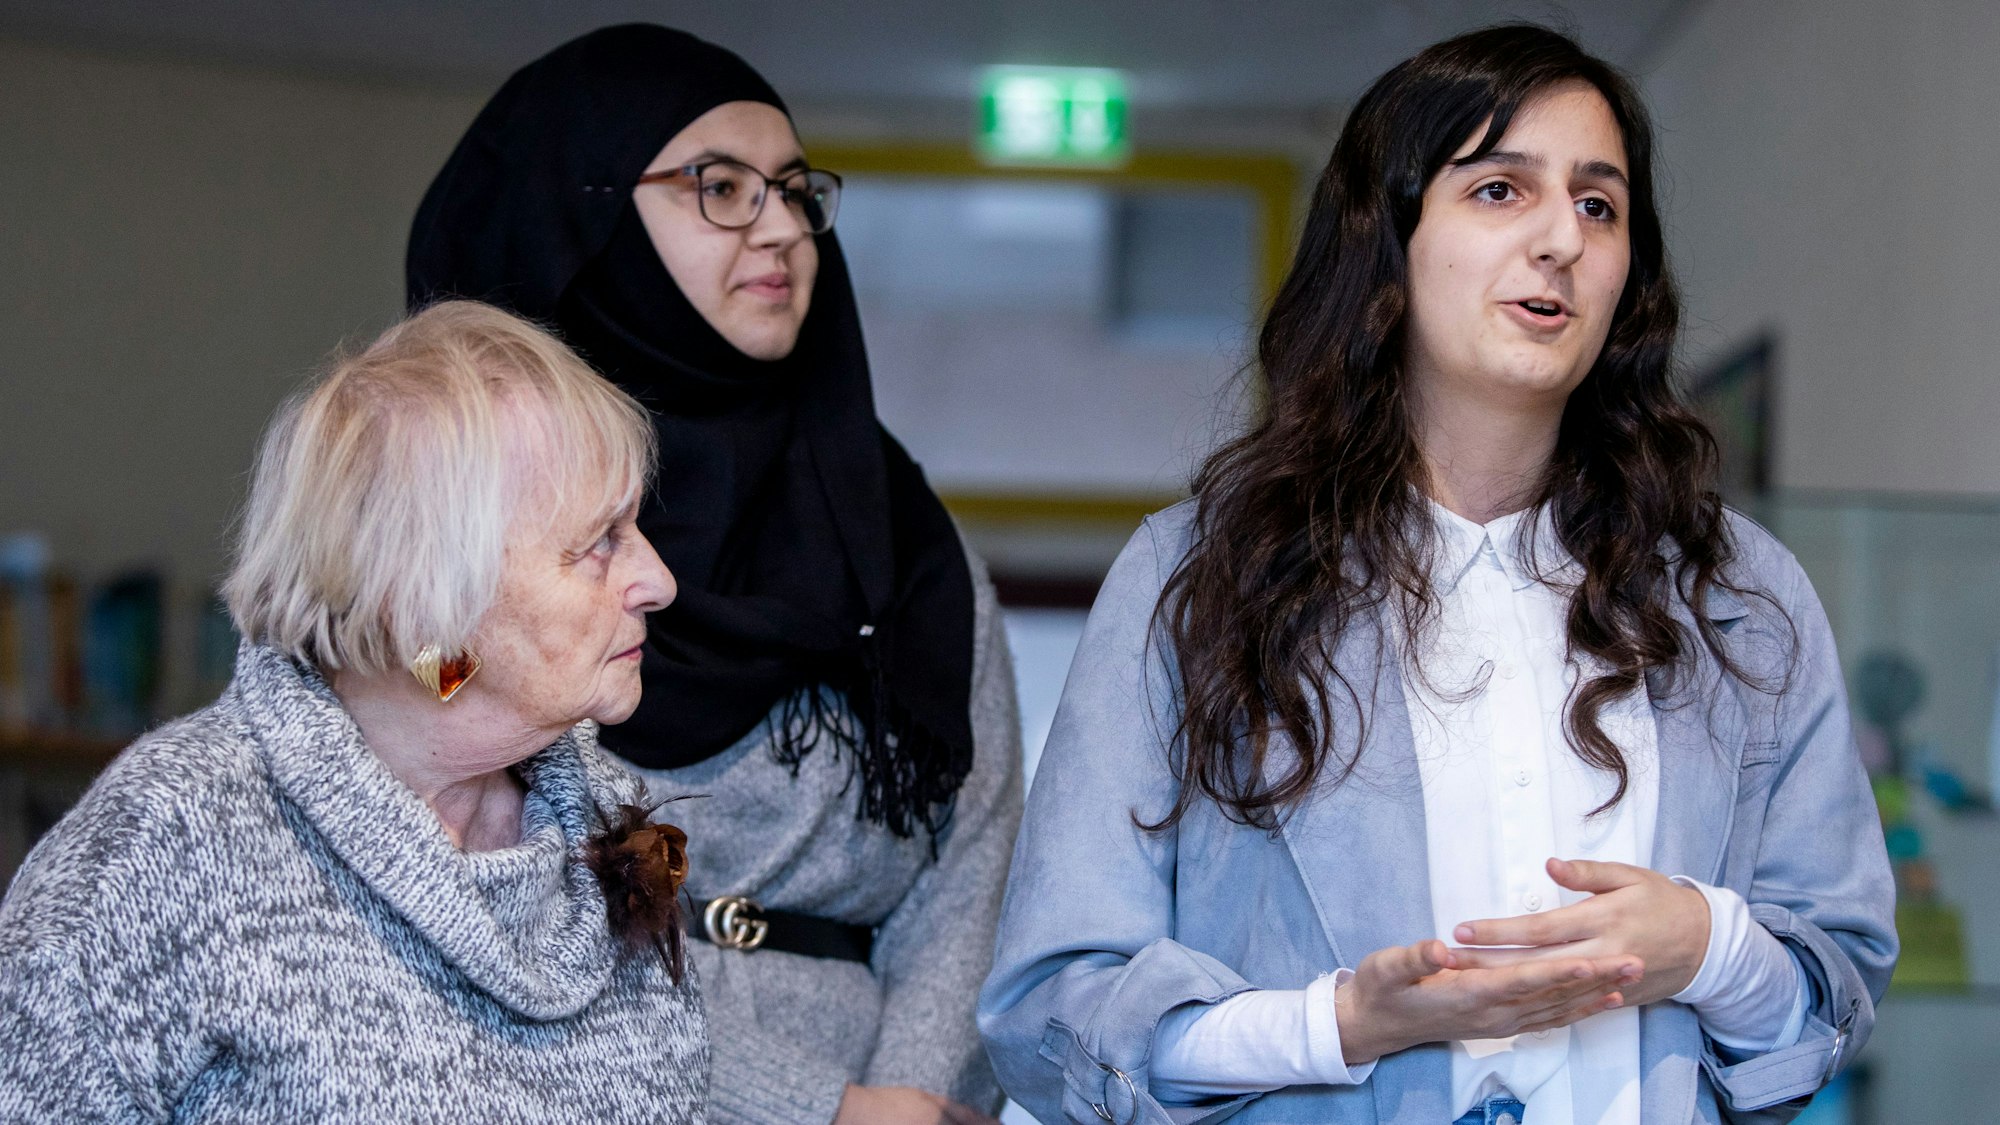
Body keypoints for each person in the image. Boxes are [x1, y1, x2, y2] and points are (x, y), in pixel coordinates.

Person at [979, 25, 1895, 1125]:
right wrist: (1342, 1022)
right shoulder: (1197, 574)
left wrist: (1710, 947)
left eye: (1598, 206)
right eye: (1500, 190)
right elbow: (1049, 1016)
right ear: (1388, 241)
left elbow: (1833, 988)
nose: (1560, 237)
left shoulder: (1734, 595)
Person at [407, 25, 1021, 1125]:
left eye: (793, 190)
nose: (781, 225)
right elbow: (459, 869)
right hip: (559, 1088)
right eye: (720, 186)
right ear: (581, 215)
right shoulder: (459, 552)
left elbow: (969, 871)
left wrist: (915, 1103)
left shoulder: (903, 545)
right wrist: (811, 1109)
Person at [0, 301, 706, 1121]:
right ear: (424, 604)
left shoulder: (611, 826)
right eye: (599, 542)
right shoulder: (174, 835)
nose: (659, 580)